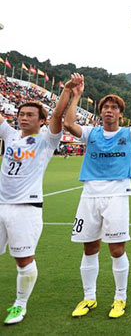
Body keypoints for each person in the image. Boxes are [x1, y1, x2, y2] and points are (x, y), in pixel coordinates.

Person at [64, 74, 131, 319]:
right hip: (90, 194)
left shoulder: (129, 133)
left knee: (116, 249)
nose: (109, 111)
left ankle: (120, 298)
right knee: (89, 247)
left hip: (117, 196)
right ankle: (89, 297)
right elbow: (69, 125)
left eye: (114, 108)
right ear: (100, 112)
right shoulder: (91, 133)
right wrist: (76, 95)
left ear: (121, 114)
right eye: (105, 107)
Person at [0, 78, 71, 324]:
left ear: (41, 121)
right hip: (1, 204)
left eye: (30, 114)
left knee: (23, 259)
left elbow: (59, 114)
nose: (23, 117)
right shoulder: (10, 135)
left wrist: (65, 92)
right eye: (21, 114)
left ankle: (20, 304)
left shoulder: (45, 140)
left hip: (26, 208)